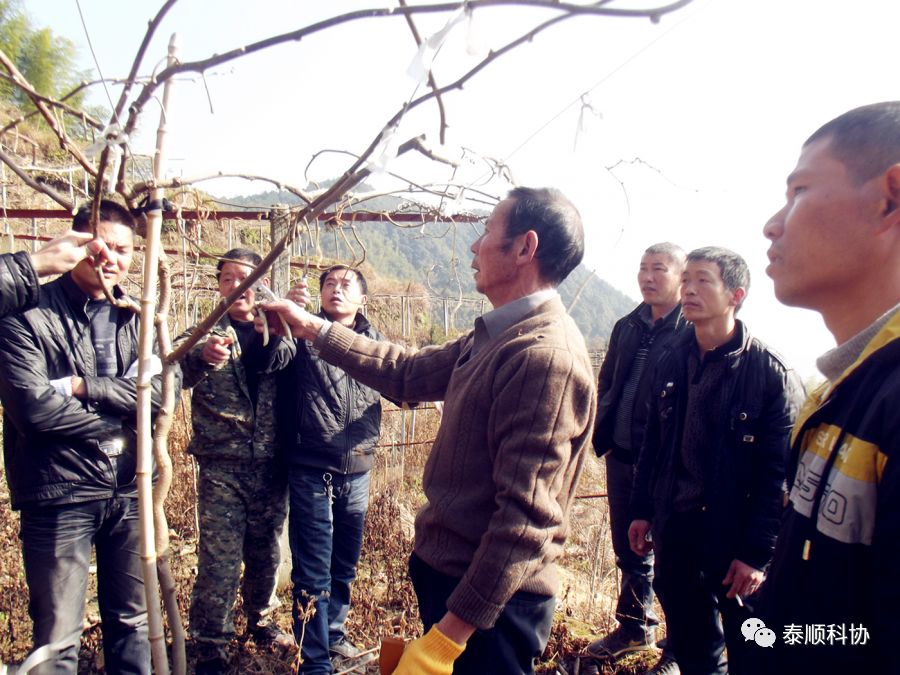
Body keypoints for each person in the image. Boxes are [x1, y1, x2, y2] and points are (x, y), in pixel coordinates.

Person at [259, 187, 596, 675]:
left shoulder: (545, 358)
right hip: (457, 585)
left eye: (486, 232)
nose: (473, 247)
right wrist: (314, 329)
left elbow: (525, 522)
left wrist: (447, 639)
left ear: (524, 248)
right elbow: (407, 371)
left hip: (490, 610)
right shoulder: (498, 332)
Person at [756, 102, 900, 673]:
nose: (772, 223)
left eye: (800, 191)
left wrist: (779, 639)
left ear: (890, 198)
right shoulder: (840, 390)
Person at [0, 200, 166, 674]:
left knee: (133, 622)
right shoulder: (26, 312)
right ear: (76, 245)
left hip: (128, 490)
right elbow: (34, 409)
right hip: (60, 492)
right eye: (102, 246)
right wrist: (120, 422)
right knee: (57, 638)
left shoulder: (139, 316)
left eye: (124, 249)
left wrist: (82, 387)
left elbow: (155, 398)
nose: (112, 258)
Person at [628, 247, 803, 675]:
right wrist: (643, 511)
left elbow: (777, 477)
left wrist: (757, 555)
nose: (688, 289)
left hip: (734, 536)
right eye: (685, 278)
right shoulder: (671, 360)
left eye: (703, 280)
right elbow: (654, 444)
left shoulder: (769, 373)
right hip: (679, 527)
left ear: (735, 295)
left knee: (752, 647)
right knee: (693, 648)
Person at [174, 248, 295, 674]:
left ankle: (260, 622)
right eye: (228, 278)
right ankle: (209, 642)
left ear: (262, 283)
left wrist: (280, 332)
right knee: (219, 558)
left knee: (265, 553)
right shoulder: (203, 333)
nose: (237, 285)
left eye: (247, 277)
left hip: (269, 465)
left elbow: (296, 368)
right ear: (220, 285)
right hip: (221, 466)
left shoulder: (281, 332)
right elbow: (174, 368)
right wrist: (200, 357)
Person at [278, 265, 391, 674]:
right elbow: (274, 356)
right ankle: (314, 662)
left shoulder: (375, 343)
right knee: (312, 569)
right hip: (312, 466)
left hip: (358, 469)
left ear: (363, 299)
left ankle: (335, 635)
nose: (335, 290)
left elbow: (401, 381)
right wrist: (285, 316)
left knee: (344, 564)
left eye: (346, 285)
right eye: (329, 284)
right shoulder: (302, 334)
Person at [584, 243, 688, 675]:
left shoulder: (689, 332)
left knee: (674, 557)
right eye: (643, 268)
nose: (647, 277)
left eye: (659, 269)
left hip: (667, 465)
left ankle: (681, 647)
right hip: (622, 455)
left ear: (681, 277)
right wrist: (604, 432)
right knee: (628, 548)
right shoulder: (629, 325)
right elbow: (608, 379)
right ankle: (633, 627)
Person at [0, 229, 111, 318]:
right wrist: (37, 263)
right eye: (98, 252)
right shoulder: (24, 314)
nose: (111, 259)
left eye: (122, 250)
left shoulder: (126, 310)